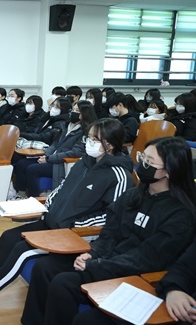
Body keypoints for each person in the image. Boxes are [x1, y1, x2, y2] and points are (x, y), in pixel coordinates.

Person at [0, 118, 135, 318]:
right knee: (8, 237)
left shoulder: (119, 175)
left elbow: (112, 218)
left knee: (22, 251)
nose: (89, 142)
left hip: (73, 234)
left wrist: (74, 224)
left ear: (110, 144)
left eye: (96, 139)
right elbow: (62, 187)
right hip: (52, 223)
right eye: (90, 137)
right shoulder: (84, 162)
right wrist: (48, 204)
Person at [21, 136, 196, 325]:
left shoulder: (181, 214)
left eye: (149, 162)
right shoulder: (133, 195)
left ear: (170, 170)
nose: (142, 164)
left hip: (134, 271)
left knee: (64, 284)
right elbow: (110, 232)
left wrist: (97, 264)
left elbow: (146, 259)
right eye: (142, 158)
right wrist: (94, 253)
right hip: (108, 259)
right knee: (45, 267)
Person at [71, 238, 196, 324]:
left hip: (127, 268)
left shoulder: (180, 216)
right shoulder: (132, 200)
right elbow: (185, 268)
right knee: (88, 320)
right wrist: (174, 289)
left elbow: (146, 259)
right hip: (183, 307)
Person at [13, 101, 97, 197]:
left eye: (77, 110)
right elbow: (55, 144)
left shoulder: (86, 132)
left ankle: (35, 198)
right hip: (51, 158)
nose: (73, 112)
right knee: (21, 163)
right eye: (73, 109)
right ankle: (21, 194)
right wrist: (46, 155)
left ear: (85, 114)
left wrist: (49, 159)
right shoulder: (66, 126)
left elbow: (75, 152)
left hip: (61, 163)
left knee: (32, 169)